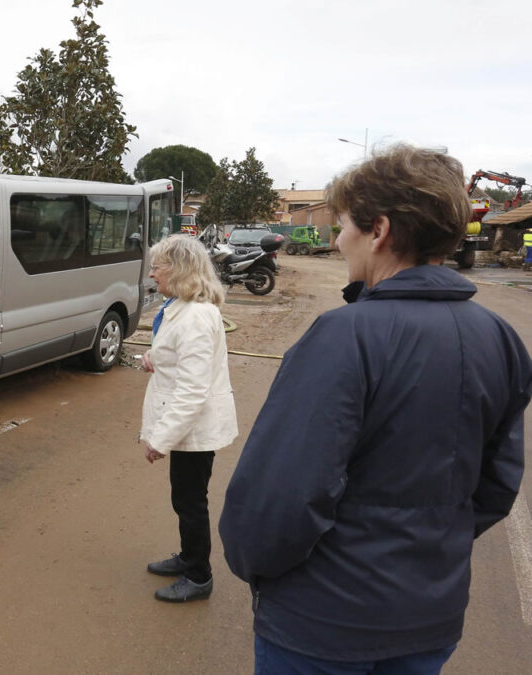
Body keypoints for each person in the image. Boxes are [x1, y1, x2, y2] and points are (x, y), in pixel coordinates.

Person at [219, 144, 532, 673]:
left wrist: (254, 568)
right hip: (430, 620)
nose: (339, 240)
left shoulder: (344, 336)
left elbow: (283, 495)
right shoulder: (500, 337)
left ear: (379, 230)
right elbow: (497, 485)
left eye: (343, 226)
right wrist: (428, 548)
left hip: (323, 625)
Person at [139, 234, 238, 603]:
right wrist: (155, 358)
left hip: (193, 426)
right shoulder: (179, 306)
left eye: (157, 267)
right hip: (187, 424)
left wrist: (160, 440)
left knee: (190, 500)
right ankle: (188, 557)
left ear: (178, 269)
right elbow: (179, 358)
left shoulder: (195, 316)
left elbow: (193, 390)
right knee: (185, 498)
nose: (152, 275)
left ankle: (199, 575)